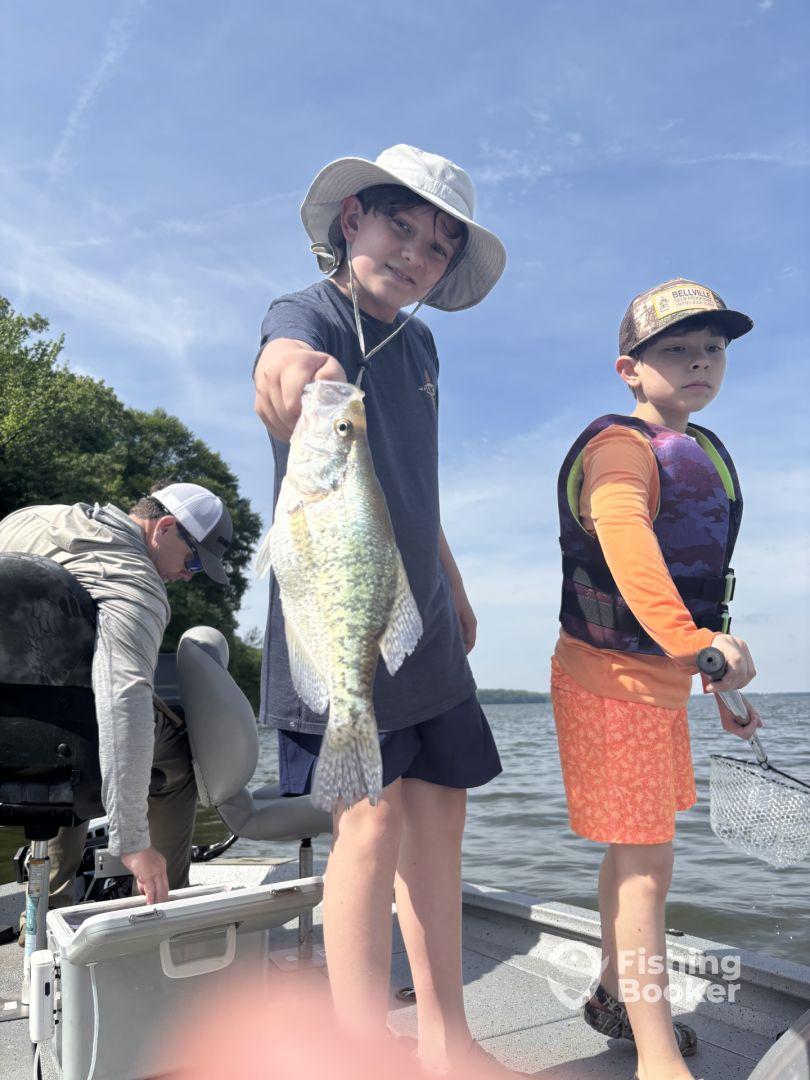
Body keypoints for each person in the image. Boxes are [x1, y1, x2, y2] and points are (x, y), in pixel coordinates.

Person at [252, 145, 515, 1077]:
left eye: (439, 246)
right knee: (367, 819)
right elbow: (279, 372)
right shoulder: (309, 310)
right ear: (353, 217)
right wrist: (291, 379)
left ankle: (450, 1038)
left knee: (441, 812)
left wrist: (455, 584)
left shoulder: (425, 346)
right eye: (401, 225)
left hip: (423, 614)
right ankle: (361, 1051)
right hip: (335, 605)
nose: (414, 253)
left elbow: (413, 487)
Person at [551, 278, 761, 1080]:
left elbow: (693, 581)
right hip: (609, 682)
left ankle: (612, 991)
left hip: (659, 685)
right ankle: (653, 1046)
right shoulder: (621, 447)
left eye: (713, 348)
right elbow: (630, 552)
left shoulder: (700, 451)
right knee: (647, 869)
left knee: (635, 853)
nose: (701, 362)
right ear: (629, 369)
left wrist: (720, 683)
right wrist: (699, 644)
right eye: (676, 349)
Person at [0, 482, 233, 909]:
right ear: (163, 528)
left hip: (10, 738)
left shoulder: (26, 519)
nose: (188, 574)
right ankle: (162, 902)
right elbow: (123, 700)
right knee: (178, 752)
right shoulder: (136, 584)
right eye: (194, 559)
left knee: (72, 718)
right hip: (58, 742)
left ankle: (52, 901)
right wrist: (133, 842)